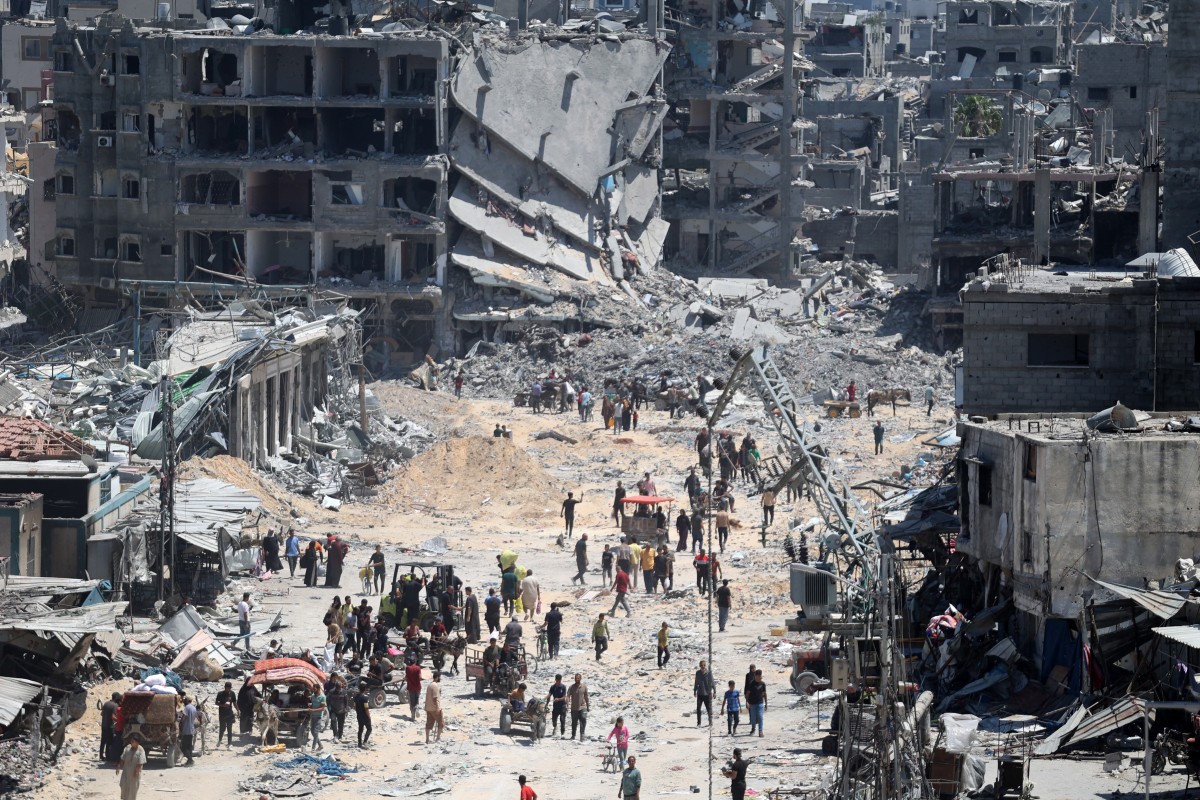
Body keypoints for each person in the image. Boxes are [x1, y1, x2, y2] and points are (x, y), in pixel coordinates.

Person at [116, 734, 146, 800]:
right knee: (123, 785)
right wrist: (118, 766)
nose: (132, 742)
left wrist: (137, 770)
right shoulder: (127, 748)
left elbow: (141, 762)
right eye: (131, 741)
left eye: (133, 741)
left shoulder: (141, 750)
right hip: (126, 772)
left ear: (137, 743)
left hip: (134, 773)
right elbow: (122, 758)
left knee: (132, 790)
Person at [213, 682, 236, 749]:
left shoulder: (232, 693)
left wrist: (238, 710)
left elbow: (234, 702)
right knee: (222, 728)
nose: (229, 690)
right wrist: (223, 705)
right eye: (228, 688)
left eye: (230, 688)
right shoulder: (220, 694)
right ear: (225, 688)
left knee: (230, 729)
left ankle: (229, 744)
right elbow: (216, 702)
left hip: (230, 714)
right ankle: (220, 740)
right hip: (222, 714)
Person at [100, 691, 121, 762]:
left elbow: (102, 714)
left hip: (103, 725)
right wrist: (119, 720)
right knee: (109, 742)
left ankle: (101, 756)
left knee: (103, 741)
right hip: (110, 726)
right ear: (116, 698)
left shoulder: (106, 703)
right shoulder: (115, 705)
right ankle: (108, 757)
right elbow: (113, 716)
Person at [745, 669, 767, 737]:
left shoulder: (763, 684)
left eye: (761, 676)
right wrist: (747, 702)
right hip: (752, 703)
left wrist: (766, 703)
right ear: (756, 676)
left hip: (760, 703)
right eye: (759, 676)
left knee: (760, 717)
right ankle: (753, 728)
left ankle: (760, 731)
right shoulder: (751, 684)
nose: (760, 678)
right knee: (753, 718)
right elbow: (747, 694)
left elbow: (764, 693)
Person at [326, 673, 348, 741]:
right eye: (337, 688)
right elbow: (328, 700)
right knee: (333, 721)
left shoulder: (344, 692)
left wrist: (346, 709)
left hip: (342, 710)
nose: (338, 690)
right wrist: (329, 707)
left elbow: (346, 701)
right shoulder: (331, 692)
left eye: (339, 688)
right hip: (333, 710)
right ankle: (335, 735)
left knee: (341, 724)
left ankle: (340, 735)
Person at [569, 673, 590, 739]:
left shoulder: (584, 687)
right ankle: (573, 735)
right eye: (576, 678)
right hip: (574, 707)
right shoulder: (571, 687)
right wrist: (567, 703)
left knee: (583, 719)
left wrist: (588, 706)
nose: (577, 679)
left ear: (580, 678)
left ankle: (582, 734)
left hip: (583, 706)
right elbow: (568, 696)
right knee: (574, 722)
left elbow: (586, 697)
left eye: (578, 678)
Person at [425, 671, 444, 743]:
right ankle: (438, 738)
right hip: (434, 708)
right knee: (441, 723)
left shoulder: (430, 685)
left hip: (428, 707)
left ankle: (427, 739)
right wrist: (438, 708)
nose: (440, 679)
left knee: (429, 723)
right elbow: (435, 698)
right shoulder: (435, 686)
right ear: (437, 677)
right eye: (439, 677)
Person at [694, 660, 714, 727]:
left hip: (707, 694)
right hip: (700, 693)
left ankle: (710, 722)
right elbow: (696, 682)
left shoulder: (709, 673)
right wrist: (694, 691)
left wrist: (714, 691)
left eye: (704, 665)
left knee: (708, 709)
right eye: (701, 665)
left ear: (706, 666)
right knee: (698, 709)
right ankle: (699, 723)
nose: (703, 666)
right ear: (700, 666)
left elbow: (712, 682)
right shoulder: (698, 673)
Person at [353, 683, 372, 748]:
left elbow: (354, 707)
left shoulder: (356, 697)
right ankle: (365, 742)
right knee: (369, 729)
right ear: (365, 689)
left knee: (360, 729)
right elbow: (366, 709)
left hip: (359, 715)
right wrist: (369, 716)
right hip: (365, 716)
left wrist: (358, 712)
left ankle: (359, 743)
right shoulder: (365, 698)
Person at [308, 686, 326, 751]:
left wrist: (313, 710)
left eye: (315, 689)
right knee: (312, 732)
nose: (313, 690)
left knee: (315, 732)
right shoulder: (312, 696)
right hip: (313, 716)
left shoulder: (323, 697)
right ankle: (320, 745)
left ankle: (313, 748)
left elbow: (322, 708)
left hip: (318, 717)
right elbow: (311, 704)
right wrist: (310, 706)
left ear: (318, 689)